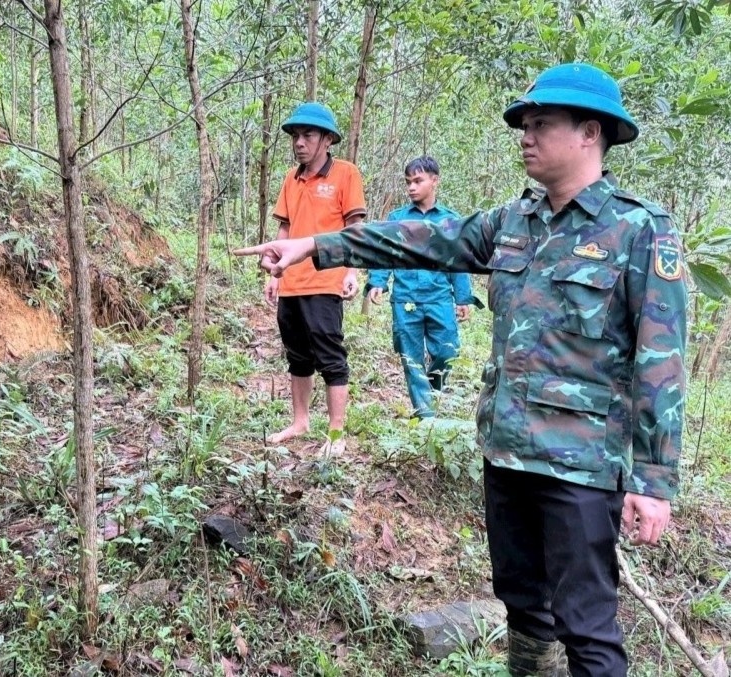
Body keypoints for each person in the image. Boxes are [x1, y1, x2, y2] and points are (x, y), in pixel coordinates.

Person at [237, 63, 687, 676]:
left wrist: (653, 483)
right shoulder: (513, 222)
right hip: (505, 454)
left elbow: (661, 363)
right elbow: (418, 239)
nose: (526, 135)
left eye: (541, 124)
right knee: (523, 606)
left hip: (581, 466)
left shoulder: (639, 230)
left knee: (588, 628)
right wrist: (316, 246)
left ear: (590, 132)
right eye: (523, 124)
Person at [264, 102, 367, 454]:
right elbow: (285, 226)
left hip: (325, 281)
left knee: (330, 355)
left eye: (308, 135)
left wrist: (352, 271)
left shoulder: (346, 174)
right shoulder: (291, 179)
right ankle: (300, 421)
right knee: (297, 355)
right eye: (296, 135)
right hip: (291, 280)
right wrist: (275, 272)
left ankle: (336, 434)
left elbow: (355, 227)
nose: (299, 142)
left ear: (327, 139)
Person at [366, 156, 476, 419]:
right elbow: (385, 254)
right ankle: (426, 416)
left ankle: (431, 395)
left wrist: (463, 298)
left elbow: (458, 260)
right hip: (406, 299)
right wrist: (378, 282)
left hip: (439, 298)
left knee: (447, 352)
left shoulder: (450, 220)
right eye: (408, 182)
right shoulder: (398, 218)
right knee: (411, 357)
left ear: (434, 181)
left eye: (418, 181)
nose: (411, 187)